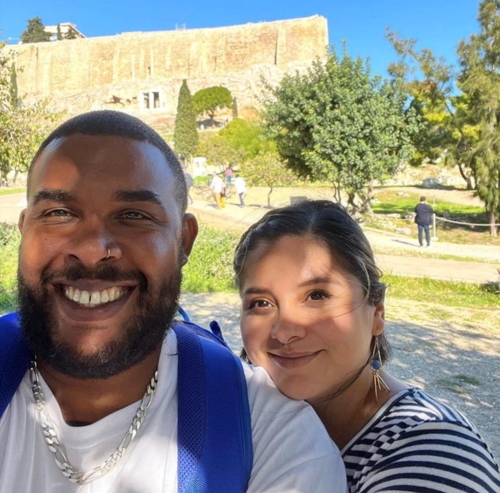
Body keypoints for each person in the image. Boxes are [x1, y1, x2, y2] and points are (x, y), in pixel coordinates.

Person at [0, 113, 347, 492]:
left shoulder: (280, 445)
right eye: (59, 214)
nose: (90, 250)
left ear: (184, 241)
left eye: (133, 216)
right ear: (24, 229)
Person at [234, 200, 500, 493]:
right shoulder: (234, 421)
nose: (283, 332)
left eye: (317, 295)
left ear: (377, 313)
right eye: (261, 303)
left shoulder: (436, 450)